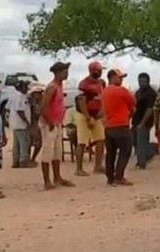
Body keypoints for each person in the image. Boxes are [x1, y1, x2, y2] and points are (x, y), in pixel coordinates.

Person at [39, 62, 74, 190]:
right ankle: (47, 180)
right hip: (50, 123)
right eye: (64, 71)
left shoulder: (59, 86)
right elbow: (43, 107)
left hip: (56, 122)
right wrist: (50, 122)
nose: (66, 73)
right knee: (48, 152)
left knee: (57, 152)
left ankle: (57, 177)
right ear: (58, 72)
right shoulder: (52, 87)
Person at [101, 69, 135, 186]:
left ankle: (110, 177)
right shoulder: (121, 90)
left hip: (109, 126)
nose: (121, 79)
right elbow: (133, 101)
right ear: (112, 77)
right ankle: (119, 176)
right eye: (119, 77)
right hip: (121, 125)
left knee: (110, 153)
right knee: (126, 150)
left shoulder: (104, 91)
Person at [76, 60, 106, 176]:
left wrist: (100, 112)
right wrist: (88, 117)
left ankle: (98, 166)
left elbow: (102, 98)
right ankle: (79, 168)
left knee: (100, 140)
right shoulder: (84, 84)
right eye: (98, 70)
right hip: (84, 115)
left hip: (97, 115)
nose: (100, 72)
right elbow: (81, 101)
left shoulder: (101, 83)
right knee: (82, 141)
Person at [132, 72, 157, 169]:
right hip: (136, 120)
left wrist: (143, 122)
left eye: (144, 81)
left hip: (145, 121)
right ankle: (146, 155)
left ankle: (142, 163)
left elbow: (150, 109)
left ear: (148, 81)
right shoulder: (138, 92)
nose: (142, 83)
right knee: (135, 141)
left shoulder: (151, 93)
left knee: (141, 141)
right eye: (140, 81)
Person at [8, 80, 34, 168]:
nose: (27, 88)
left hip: (14, 124)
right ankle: (24, 161)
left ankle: (15, 161)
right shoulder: (20, 97)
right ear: (21, 88)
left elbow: (7, 107)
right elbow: (20, 110)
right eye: (25, 86)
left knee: (16, 143)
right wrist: (26, 121)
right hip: (21, 124)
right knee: (24, 142)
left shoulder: (13, 96)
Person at [27, 83, 45, 164]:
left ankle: (32, 158)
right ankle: (29, 158)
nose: (39, 94)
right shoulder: (30, 101)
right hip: (33, 123)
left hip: (38, 123)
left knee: (38, 142)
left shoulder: (43, 101)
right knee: (29, 142)